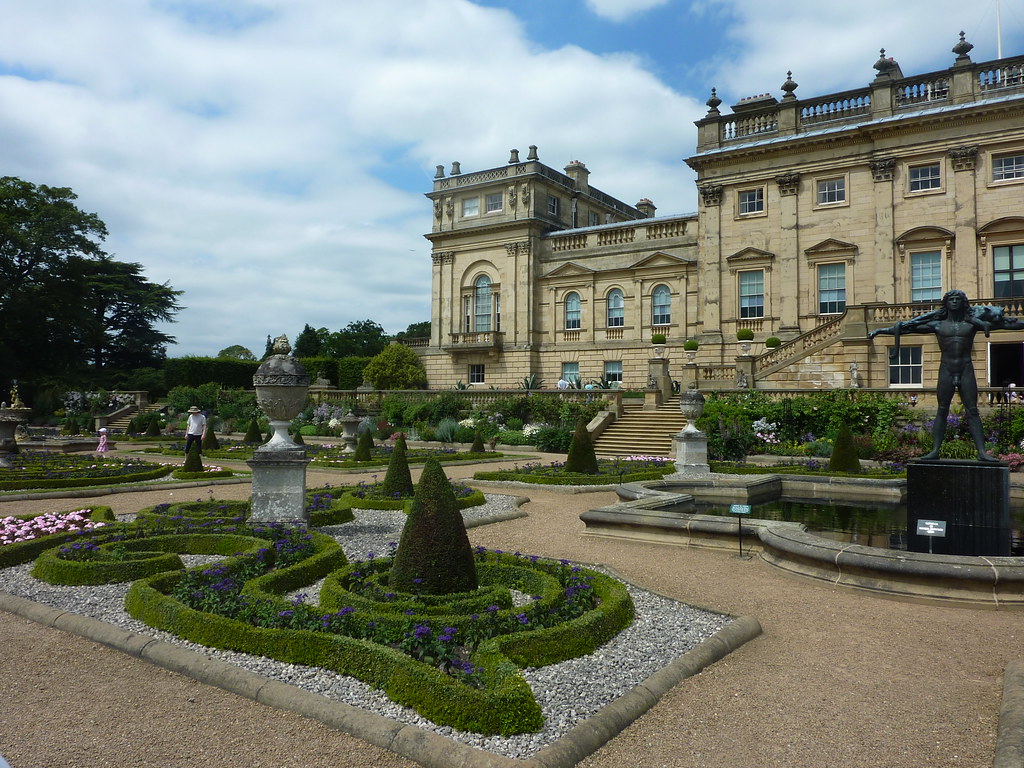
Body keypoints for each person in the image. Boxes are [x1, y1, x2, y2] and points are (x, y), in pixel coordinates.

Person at [869, 289, 1024, 462]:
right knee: (941, 410)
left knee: (972, 410)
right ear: (947, 303)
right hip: (946, 370)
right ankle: (935, 451)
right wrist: (880, 330)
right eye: (952, 299)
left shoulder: (973, 323)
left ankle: (982, 452)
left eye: (958, 299)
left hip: (965, 369)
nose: (955, 302)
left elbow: (1009, 324)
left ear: (963, 303)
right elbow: (905, 328)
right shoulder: (937, 325)